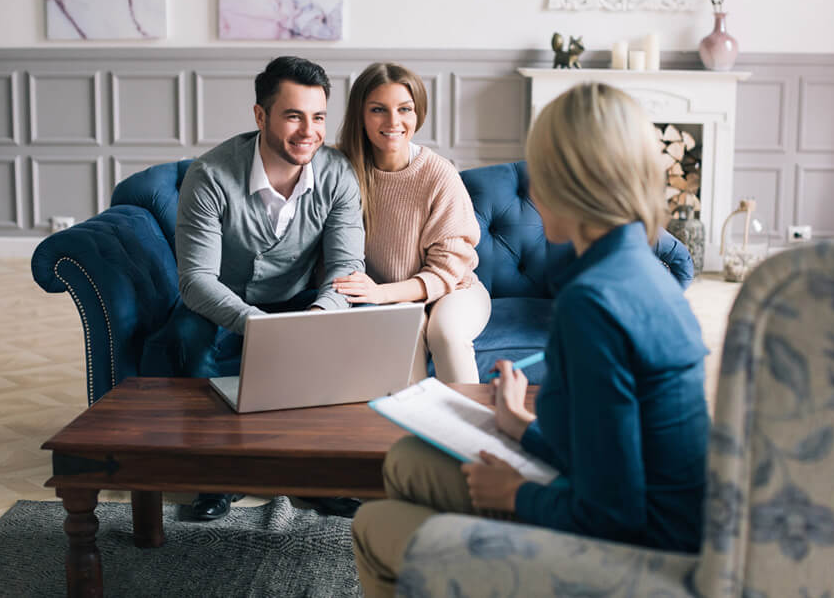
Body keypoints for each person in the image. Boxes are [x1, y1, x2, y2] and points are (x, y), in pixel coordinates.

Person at [351, 82, 711, 596]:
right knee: (408, 460)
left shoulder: (592, 303)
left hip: (642, 555)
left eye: (539, 170)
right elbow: (612, 452)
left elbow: (615, 513)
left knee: (372, 527)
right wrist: (522, 427)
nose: (533, 190)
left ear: (570, 182)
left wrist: (516, 495)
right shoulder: (640, 269)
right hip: (655, 520)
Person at [174, 56, 365, 520]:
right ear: (260, 116)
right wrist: (258, 326)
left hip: (302, 303)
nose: (309, 132)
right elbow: (196, 279)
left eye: (318, 117)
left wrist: (318, 318)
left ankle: (317, 476)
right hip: (222, 302)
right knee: (191, 347)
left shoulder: (338, 174)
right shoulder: (210, 176)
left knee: (336, 353)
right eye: (293, 115)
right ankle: (215, 478)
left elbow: (347, 266)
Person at [332, 63, 490, 384]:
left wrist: (381, 293)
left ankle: (469, 432)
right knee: (405, 330)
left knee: (446, 334)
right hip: (386, 295)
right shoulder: (340, 169)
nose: (394, 122)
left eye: (405, 109)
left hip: (453, 289)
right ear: (360, 115)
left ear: (418, 114)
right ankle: (413, 427)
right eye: (379, 110)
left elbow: (447, 272)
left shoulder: (437, 173)